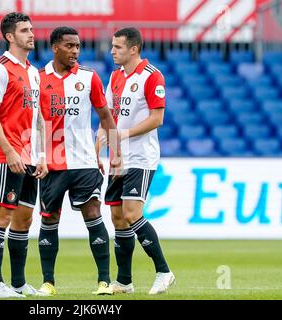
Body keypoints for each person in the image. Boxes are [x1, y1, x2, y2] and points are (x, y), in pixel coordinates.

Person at [37, 26, 121, 296]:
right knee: (50, 220)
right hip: (52, 164)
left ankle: (104, 281)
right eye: (69, 46)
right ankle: (48, 282)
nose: (75, 51)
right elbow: (33, 122)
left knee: (94, 215)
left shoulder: (89, 77)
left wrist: (114, 153)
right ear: (55, 47)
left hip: (85, 162)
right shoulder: (38, 79)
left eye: (77, 46)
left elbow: (106, 117)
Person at [101, 27, 175, 295]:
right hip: (118, 158)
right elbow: (108, 114)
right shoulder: (115, 77)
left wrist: (123, 134)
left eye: (118, 47)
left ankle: (164, 271)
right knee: (118, 217)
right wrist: (101, 141)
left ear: (133, 49)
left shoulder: (151, 76)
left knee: (132, 213)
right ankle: (124, 281)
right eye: (112, 46)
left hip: (141, 157)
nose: (112, 51)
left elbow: (158, 118)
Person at [0, 12, 47, 297]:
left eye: (32, 29)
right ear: (10, 36)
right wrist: (9, 151)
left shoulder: (33, 72)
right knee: (1, 217)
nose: (31, 34)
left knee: (24, 219)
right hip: (5, 157)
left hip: (30, 158)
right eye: (24, 30)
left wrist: (42, 155)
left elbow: (38, 118)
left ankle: (19, 283)